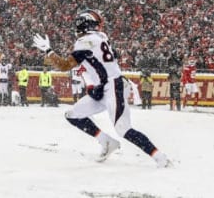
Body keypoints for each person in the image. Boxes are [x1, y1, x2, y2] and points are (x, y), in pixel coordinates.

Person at [32, 9, 170, 167]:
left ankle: (161, 158)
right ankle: (106, 142)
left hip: (113, 86)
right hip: (104, 86)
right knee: (73, 115)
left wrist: (48, 51)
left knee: (123, 129)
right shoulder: (102, 37)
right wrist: (94, 84)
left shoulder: (84, 42)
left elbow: (63, 66)